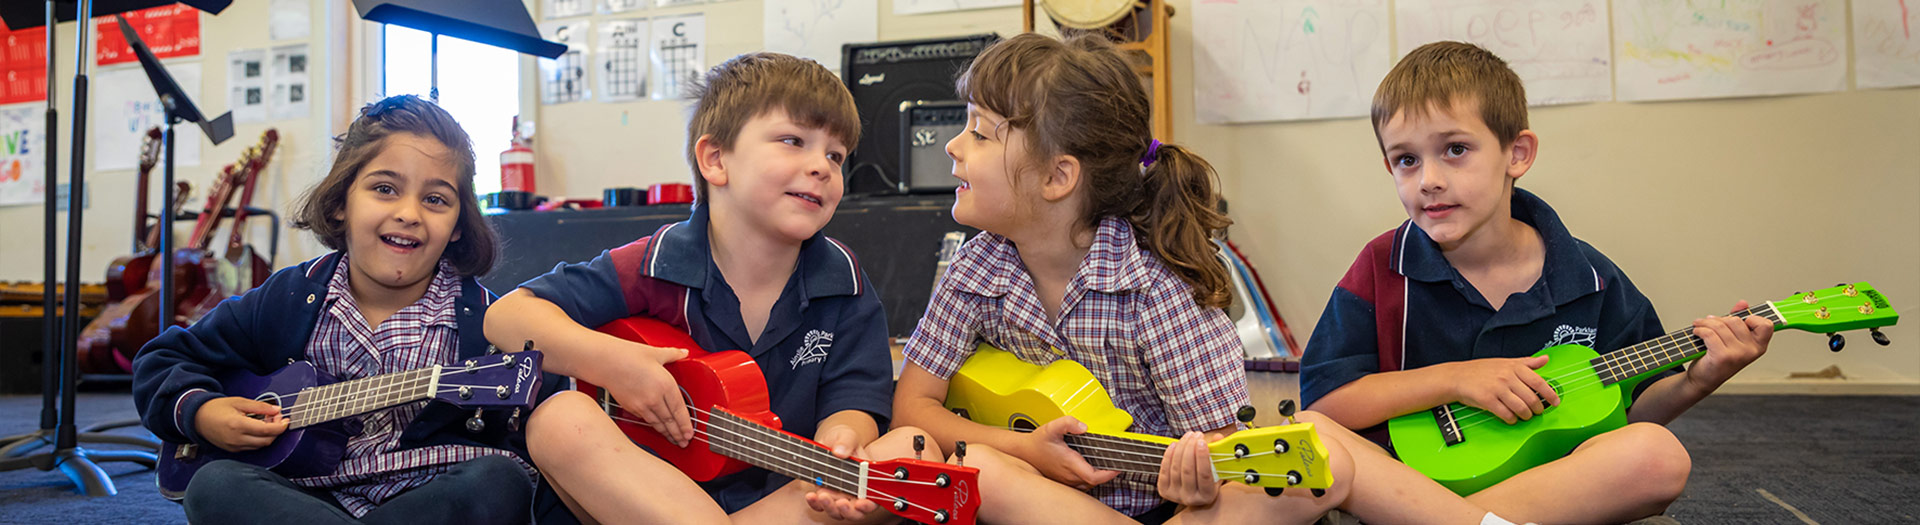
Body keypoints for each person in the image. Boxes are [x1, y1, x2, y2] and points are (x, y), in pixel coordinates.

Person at [892, 33, 1496, 525]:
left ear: (1058, 177)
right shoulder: (976, 268)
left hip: (1160, 509)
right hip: (1032, 501)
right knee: (986, 475)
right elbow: (912, 410)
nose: (952, 146)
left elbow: (1224, 452)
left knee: (1301, 478)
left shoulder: (1156, 289)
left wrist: (1194, 484)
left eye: (978, 130)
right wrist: (1022, 449)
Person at [1301, 41, 1775, 524]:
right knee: (1310, 430)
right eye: (1406, 160)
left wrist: (1699, 379)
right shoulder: (1383, 265)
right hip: (1405, 480)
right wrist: (1455, 380)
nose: (1429, 179)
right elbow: (1328, 401)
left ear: (1517, 154)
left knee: (1658, 455)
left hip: (1543, 483)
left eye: (1456, 150)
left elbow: (1627, 417)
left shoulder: (1590, 278)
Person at [484, 52, 929, 524]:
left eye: (836, 155)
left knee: (914, 450)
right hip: (650, 496)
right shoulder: (657, 262)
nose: (821, 165)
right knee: (559, 420)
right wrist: (614, 364)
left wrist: (842, 438)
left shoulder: (844, 280)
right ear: (715, 160)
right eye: (793, 141)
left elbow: (856, 400)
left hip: (788, 496)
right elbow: (506, 318)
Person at [133, 94, 552, 524]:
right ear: (340, 203)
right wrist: (202, 412)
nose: (409, 213)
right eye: (384, 189)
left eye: (436, 200)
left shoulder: (487, 322)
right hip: (302, 498)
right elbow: (163, 358)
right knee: (213, 485)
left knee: (501, 481)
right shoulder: (293, 296)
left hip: (423, 499)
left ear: (459, 225)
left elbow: (538, 425)